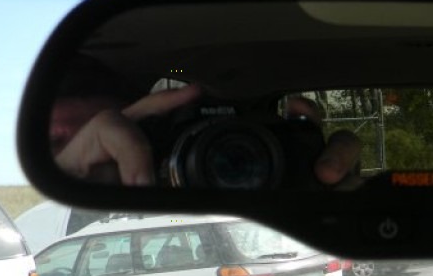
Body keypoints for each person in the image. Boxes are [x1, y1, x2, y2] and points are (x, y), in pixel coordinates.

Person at [51, 55, 361, 187]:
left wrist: (318, 178)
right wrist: (74, 179)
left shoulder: (153, 138)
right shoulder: (78, 185)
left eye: (56, 141)